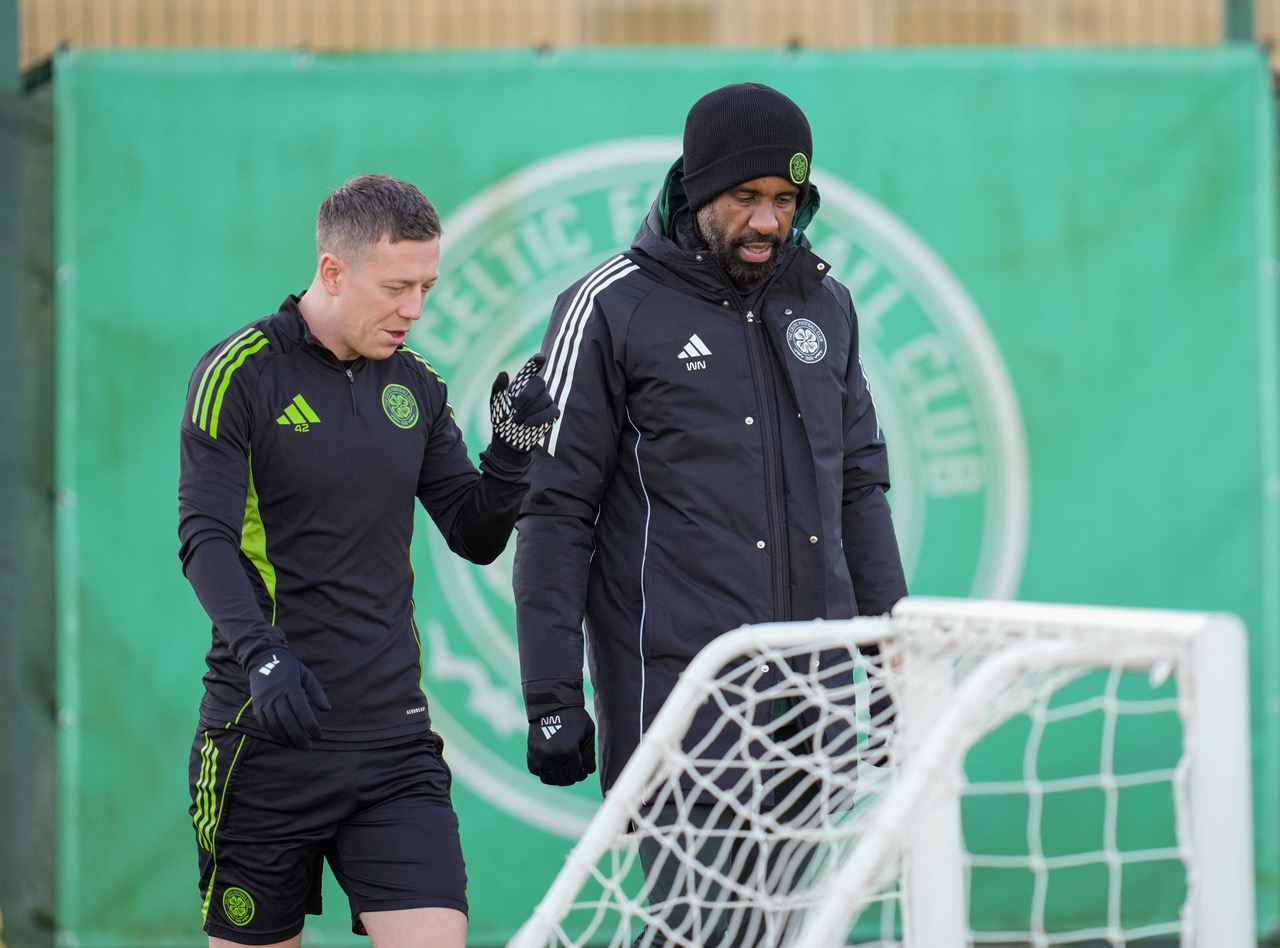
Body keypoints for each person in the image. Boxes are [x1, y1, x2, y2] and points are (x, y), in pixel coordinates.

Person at [512, 83, 908, 943]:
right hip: (681, 697)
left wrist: (890, 665)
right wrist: (551, 694)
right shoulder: (609, 306)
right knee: (704, 928)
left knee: (772, 927)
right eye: (746, 199)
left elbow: (859, 492)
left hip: (814, 690)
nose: (768, 223)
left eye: (786, 201)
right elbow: (553, 513)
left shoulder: (825, 304)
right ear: (695, 189)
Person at [178, 173, 557, 948]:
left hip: (394, 748)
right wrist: (263, 657)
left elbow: (474, 531)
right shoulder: (238, 375)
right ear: (333, 272)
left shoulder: (416, 387)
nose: (414, 309)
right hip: (266, 739)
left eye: (427, 286)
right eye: (397, 287)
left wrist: (513, 454)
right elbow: (205, 540)